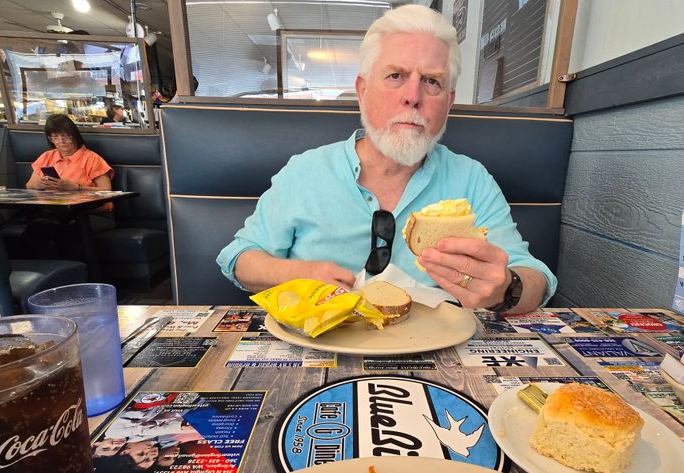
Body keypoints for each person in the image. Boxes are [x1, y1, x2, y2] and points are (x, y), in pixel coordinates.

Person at [217, 5, 555, 312]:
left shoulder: (472, 179)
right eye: (396, 76)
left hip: (436, 356)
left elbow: (536, 279)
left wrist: (505, 288)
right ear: (363, 91)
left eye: (432, 82)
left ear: (449, 102)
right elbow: (239, 258)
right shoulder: (304, 171)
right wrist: (300, 273)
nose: (413, 97)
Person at [26, 114, 113, 192]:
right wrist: (39, 185)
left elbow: (107, 190)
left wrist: (77, 188)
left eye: (65, 136)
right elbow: (29, 185)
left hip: (84, 207)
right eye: (55, 137)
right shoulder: (46, 156)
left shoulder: (92, 159)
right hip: (49, 205)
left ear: (74, 135)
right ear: (50, 139)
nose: (61, 141)